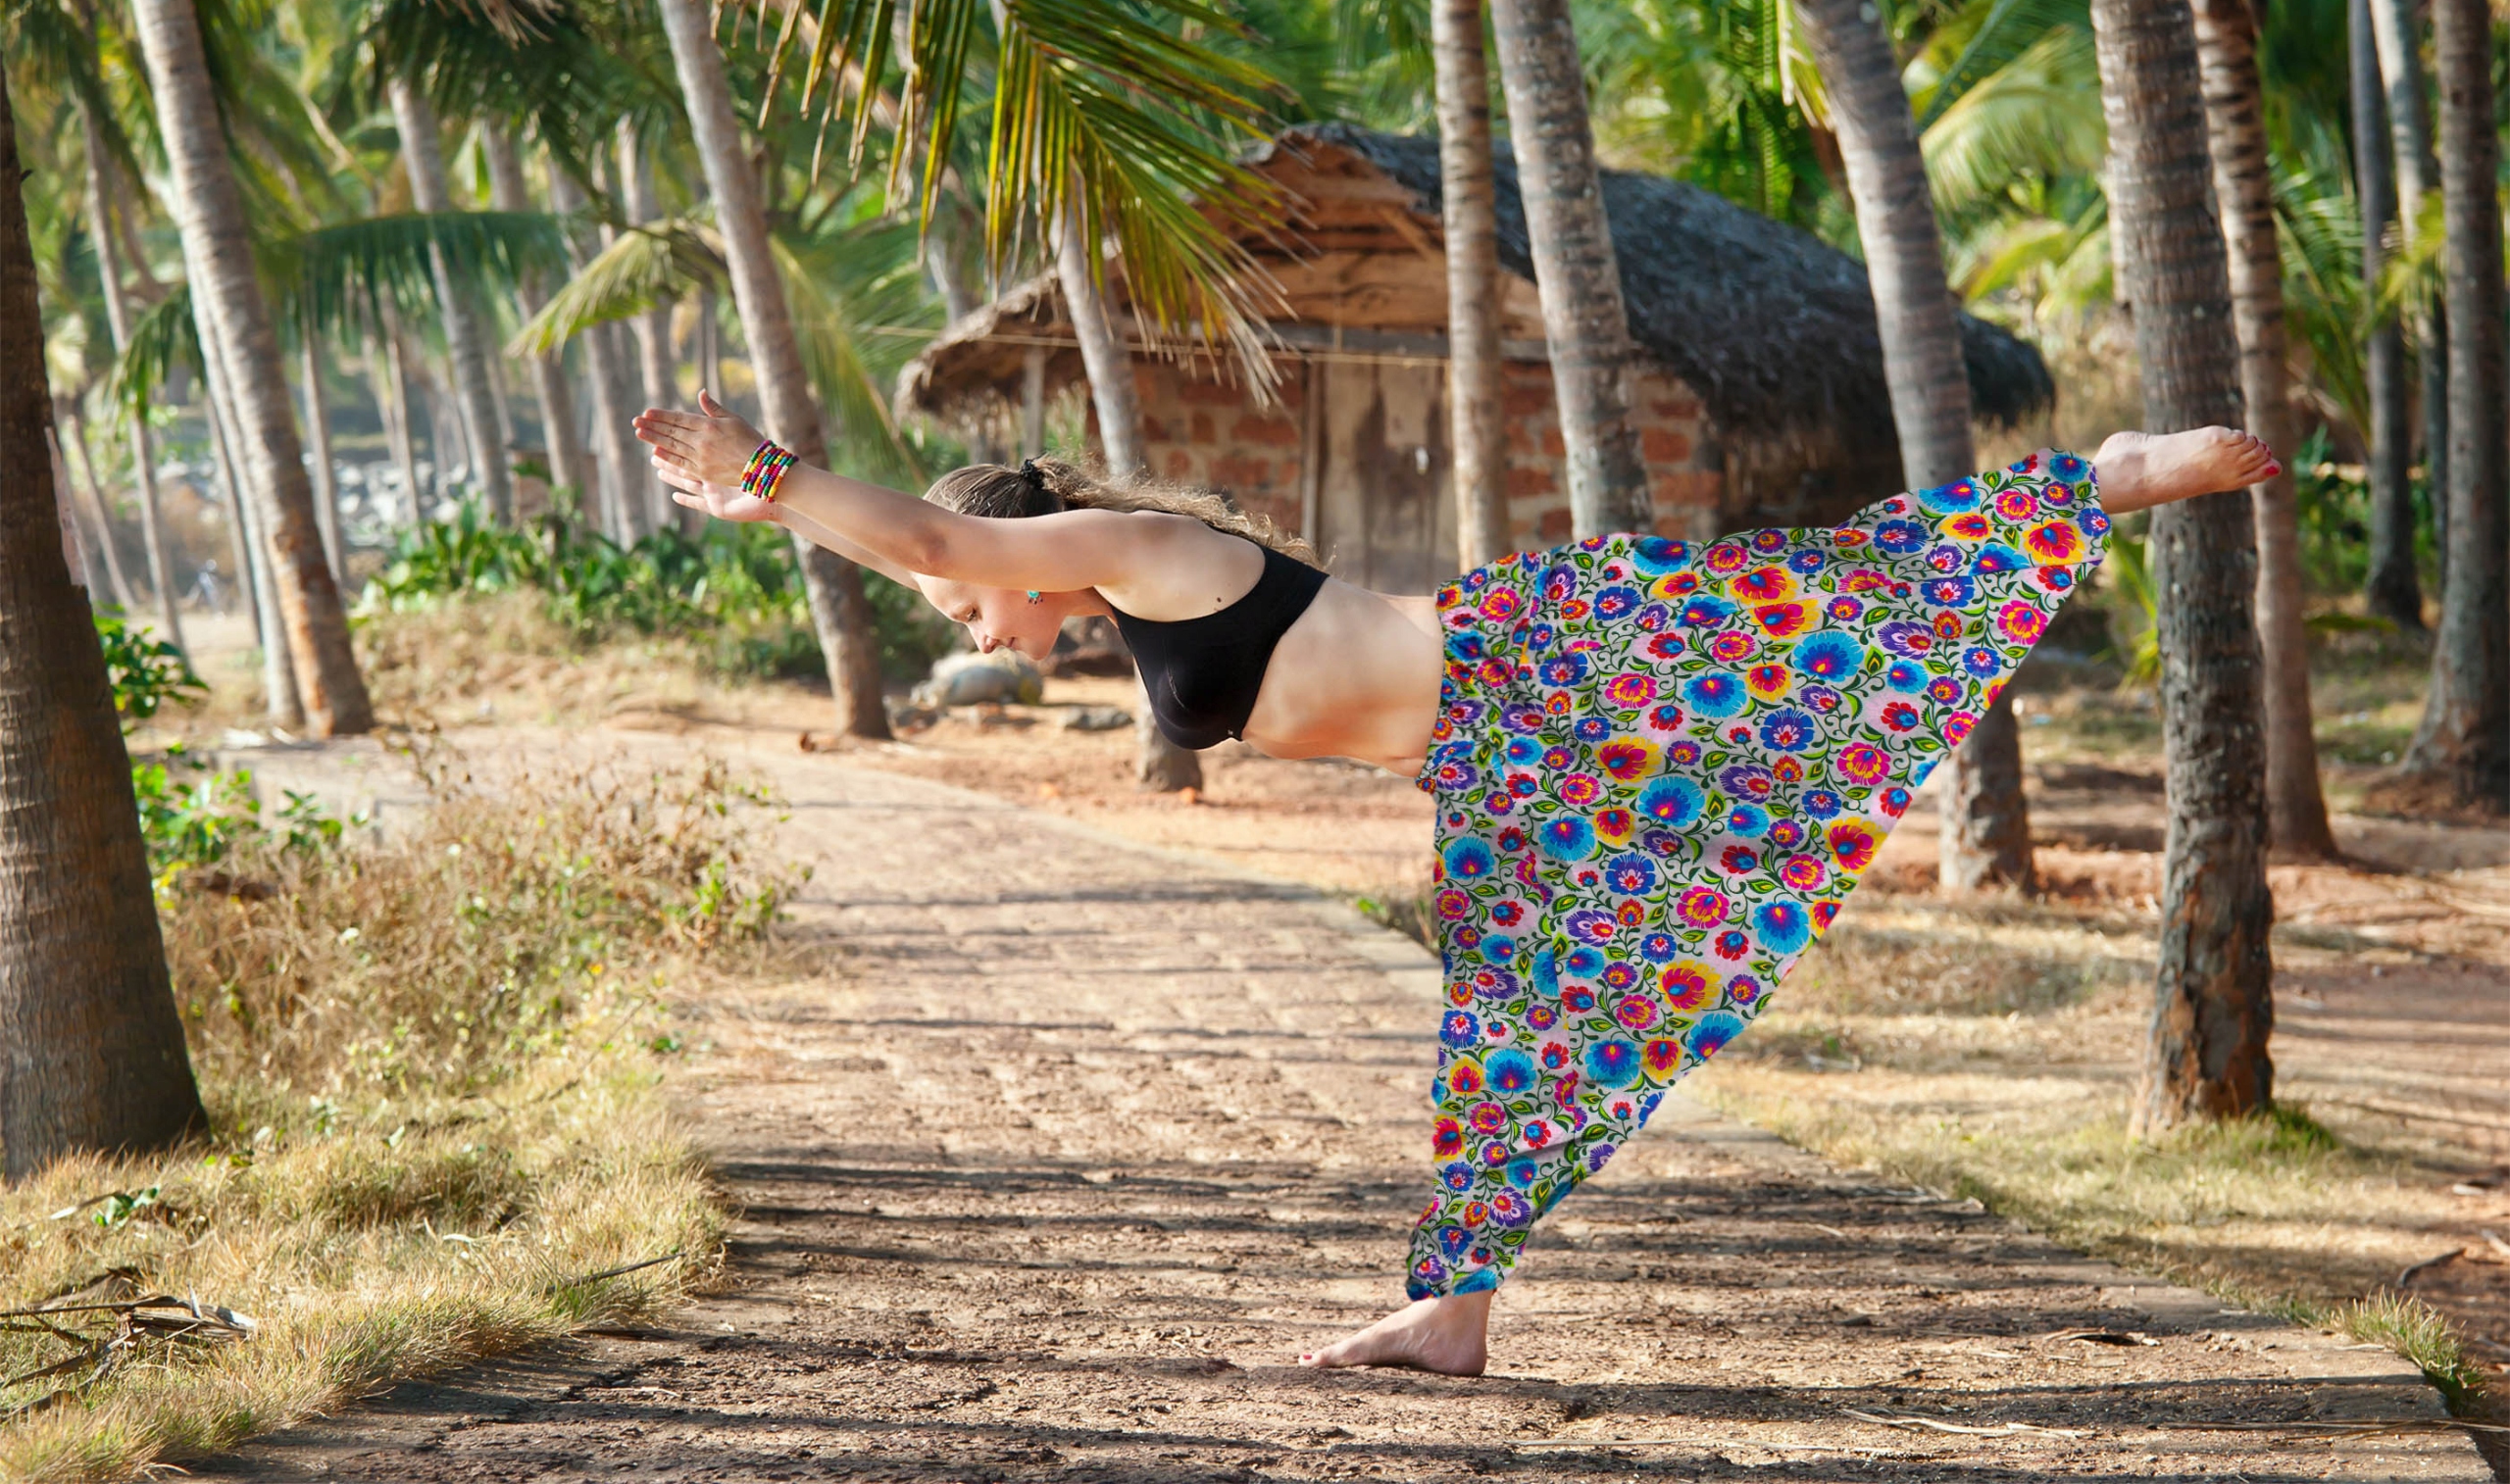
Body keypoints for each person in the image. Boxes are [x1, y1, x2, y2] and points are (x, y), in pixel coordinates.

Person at [634, 395, 2278, 1376]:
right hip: (1503, 766)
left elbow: (934, 545)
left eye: (977, 600)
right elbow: (939, 555)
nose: (971, 628)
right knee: (1529, 1027)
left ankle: (2103, 480)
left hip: (1535, 663)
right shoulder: (1128, 608)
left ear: (1031, 551)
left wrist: (767, 477)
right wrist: (770, 503)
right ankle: (1455, 1309)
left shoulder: (1129, 543)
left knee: (1822, 614)